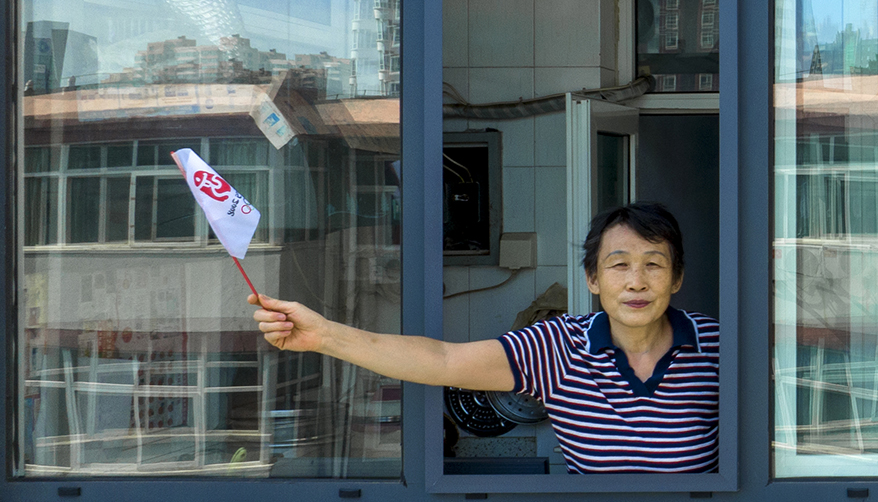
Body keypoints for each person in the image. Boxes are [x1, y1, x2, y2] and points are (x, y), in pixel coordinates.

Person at [250, 201, 719, 473]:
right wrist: (324, 336)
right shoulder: (558, 347)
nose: (636, 282)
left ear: (677, 277)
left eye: (653, 264)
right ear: (592, 279)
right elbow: (443, 361)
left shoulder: (720, 349)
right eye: (619, 265)